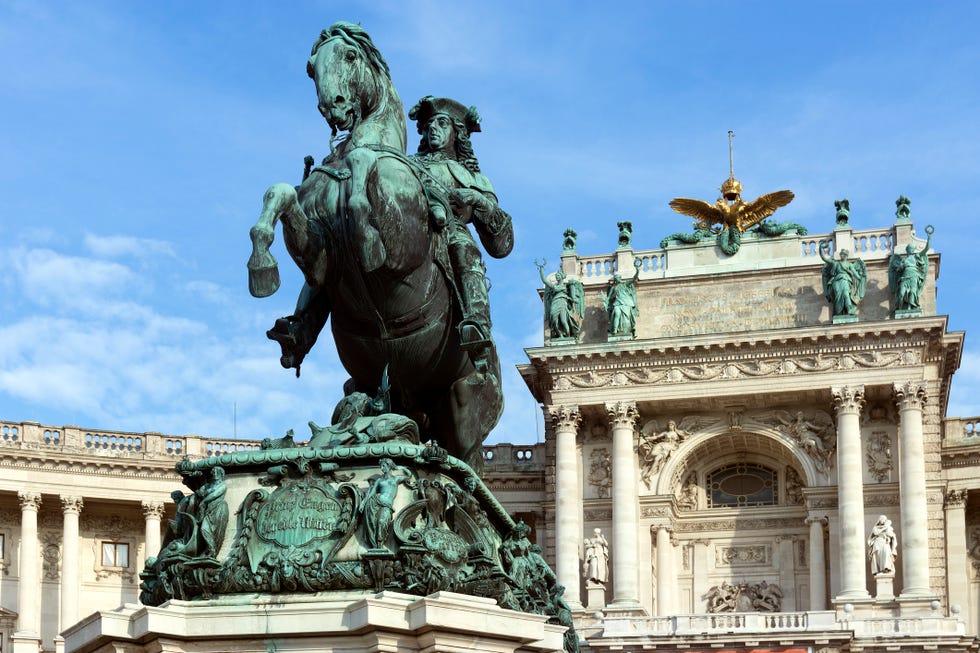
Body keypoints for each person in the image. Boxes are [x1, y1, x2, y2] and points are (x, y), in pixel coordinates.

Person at [408, 96, 514, 367]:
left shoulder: (473, 178)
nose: (433, 128)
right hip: (408, 230)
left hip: (449, 235)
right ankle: (304, 324)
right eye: (429, 124)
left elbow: (502, 245)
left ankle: (478, 323)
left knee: (463, 247)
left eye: (442, 123)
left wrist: (477, 200)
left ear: (457, 133)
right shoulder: (405, 165)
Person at [888, 228, 932, 311]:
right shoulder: (903, 260)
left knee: (912, 292)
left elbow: (926, 249)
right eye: (909, 249)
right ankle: (900, 309)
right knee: (901, 293)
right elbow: (898, 270)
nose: (911, 250)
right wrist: (897, 267)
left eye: (912, 249)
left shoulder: (917, 256)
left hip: (914, 276)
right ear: (907, 250)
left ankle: (909, 308)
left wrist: (929, 238)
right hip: (905, 277)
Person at [537, 262, 584, 339]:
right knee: (554, 320)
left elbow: (573, 296)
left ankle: (568, 335)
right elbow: (545, 281)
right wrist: (541, 271)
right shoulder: (554, 286)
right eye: (556, 276)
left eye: (558, 275)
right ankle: (560, 335)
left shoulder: (566, 286)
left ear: (562, 276)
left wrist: (574, 298)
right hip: (555, 302)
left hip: (562, 302)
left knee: (563, 321)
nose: (557, 277)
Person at [819, 244, 867, 317]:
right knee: (838, 295)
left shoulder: (849, 265)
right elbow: (824, 258)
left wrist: (862, 275)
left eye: (844, 254)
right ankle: (838, 312)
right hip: (836, 282)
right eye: (841, 254)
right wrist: (820, 248)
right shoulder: (835, 263)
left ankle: (849, 309)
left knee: (845, 294)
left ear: (847, 256)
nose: (843, 255)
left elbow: (856, 275)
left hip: (846, 280)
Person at [606, 258, 643, 336]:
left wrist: (637, 270)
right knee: (617, 313)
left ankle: (622, 330)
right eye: (617, 278)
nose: (619, 279)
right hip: (617, 304)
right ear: (615, 280)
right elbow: (609, 298)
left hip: (625, 304)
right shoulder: (614, 288)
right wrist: (606, 302)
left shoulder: (625, 284)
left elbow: (634, 279)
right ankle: (614, 331)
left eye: (619, 278)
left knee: (625, 320)